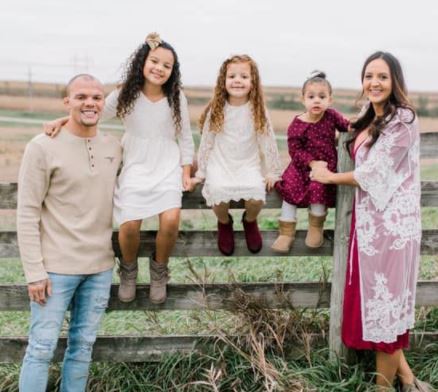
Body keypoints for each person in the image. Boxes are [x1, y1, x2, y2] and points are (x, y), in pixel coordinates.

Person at [311, 52, 433, 391]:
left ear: (394, 81)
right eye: (368, 76)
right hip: (368, 227)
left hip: (393, 229)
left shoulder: (403, 120)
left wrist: (328, 177)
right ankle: (408, 381)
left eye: (382, 76)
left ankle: (382, 388)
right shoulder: (369, 118)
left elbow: (375, 173)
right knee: (380, 306)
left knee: (387, 309)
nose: (374, 83)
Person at [44, 33, 195, 304]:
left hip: (166, 164)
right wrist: (61, 120)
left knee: (171, 219)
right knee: (128, 224)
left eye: (166, 65)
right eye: (155, 61)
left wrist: (185, 171)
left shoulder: (176, 97)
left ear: (173, 71)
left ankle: (159, 270)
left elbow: (185, 136)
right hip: (136, 164)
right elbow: (94, 112)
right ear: (142, 61)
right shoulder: (126, 93)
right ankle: (128, 270)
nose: (159, 68)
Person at [17, 74, 122, 392]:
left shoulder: (114, 146)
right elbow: (27, 213)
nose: (90, 102)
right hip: (54, 270)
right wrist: (35, 272)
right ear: (67, 102)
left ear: (104, 103)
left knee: (82, 350)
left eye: (96, 97)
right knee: (40, 349)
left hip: (100, 268)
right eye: (80, 97)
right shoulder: (42, 147)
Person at [193, 54, 281, 256]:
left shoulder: (257, 110)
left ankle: (249, 221)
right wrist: (201, 172)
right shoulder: (217, 108)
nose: (237, 80)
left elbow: (268, 141)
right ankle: (224, 223)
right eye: (232, 76)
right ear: (223, 81)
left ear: (253, 82)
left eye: (244, 76)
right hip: (220, 163)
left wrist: (274, 171)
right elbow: (207, 141)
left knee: (256, 195)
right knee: (218, 193)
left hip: (247, 163)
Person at [272, 71, 349, 253]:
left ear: (330, 100)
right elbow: (295, 151)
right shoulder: (297, 124)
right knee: (289, 189)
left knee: (318, 188)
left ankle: (315, 227)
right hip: (301, 167)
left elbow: (346, 126)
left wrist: (361, 124)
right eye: (311, 96)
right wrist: (312, 163)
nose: (316, 100)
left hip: (325, 167)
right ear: (303, 99)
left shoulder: (331, 116)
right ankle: (286, 233)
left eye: (322, 97)